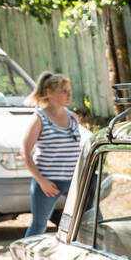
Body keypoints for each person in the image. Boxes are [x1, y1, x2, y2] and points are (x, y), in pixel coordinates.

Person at [21, 71, 81, 238]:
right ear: (49, 93)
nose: (69, 95)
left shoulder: (73, 117)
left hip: (74, 181)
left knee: (87, 221)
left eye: (69, 90)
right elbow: (25, 153)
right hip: (48, 184)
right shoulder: (39, 118)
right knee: (39, 225)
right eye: (64, 91)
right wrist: (42, 181)